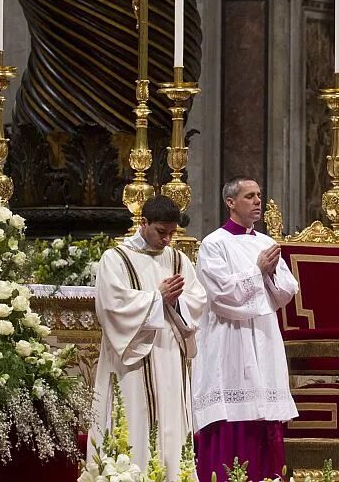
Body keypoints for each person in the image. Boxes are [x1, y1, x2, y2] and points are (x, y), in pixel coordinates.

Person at [89, 196, 207, 480]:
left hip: (169, 354)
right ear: (143, 224)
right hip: (133, 356)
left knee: (170, 423)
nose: (167, 240)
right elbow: (111, 306)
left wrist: (176, 302)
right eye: (161, 232)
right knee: (133, 419)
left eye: (171, 233)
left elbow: (197, 299)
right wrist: (157, 298)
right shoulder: (115, 259)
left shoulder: (178, 259)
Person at [191, 177, 300, 482]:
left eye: (259, 196)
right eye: (249, 196)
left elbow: (286, 291)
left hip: (263, 336)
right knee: (232, 407)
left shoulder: (266, 243)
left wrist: (268, 274)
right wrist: (257, 271)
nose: (257, 202)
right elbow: (221, 295)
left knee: (263, 407)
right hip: (229, 337)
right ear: (230, 202)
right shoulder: (213, 244)